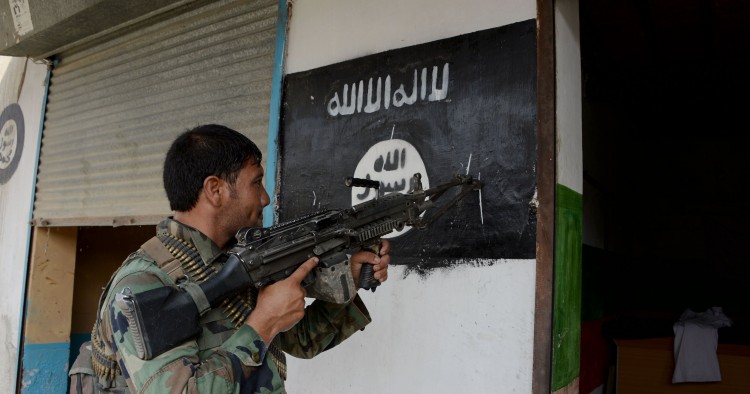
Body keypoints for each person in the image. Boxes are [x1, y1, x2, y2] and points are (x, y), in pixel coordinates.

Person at [69, 124, 390, 393]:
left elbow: (300, 341)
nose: (265, 198)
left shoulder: (236, 262)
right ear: (215, 190)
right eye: (255, 182)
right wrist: (263, 323)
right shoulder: (145, 282)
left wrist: (348, 277)